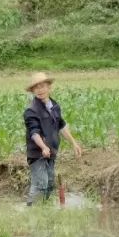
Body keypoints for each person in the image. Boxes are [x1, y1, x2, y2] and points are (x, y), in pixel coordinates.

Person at [23, 72, 82, 206]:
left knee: (49, 183)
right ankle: (31, 211)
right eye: (36, 88)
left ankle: (43, 208)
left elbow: (61, 126)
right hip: (37, 154)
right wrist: (43, 147)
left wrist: (74, 143)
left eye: (43, 86)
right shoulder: (31, 111)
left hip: (51, 152)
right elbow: (34, 133)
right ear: (33, 91)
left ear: (49, 87)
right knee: (41, 184)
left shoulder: (54, 106)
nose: (40, 90)